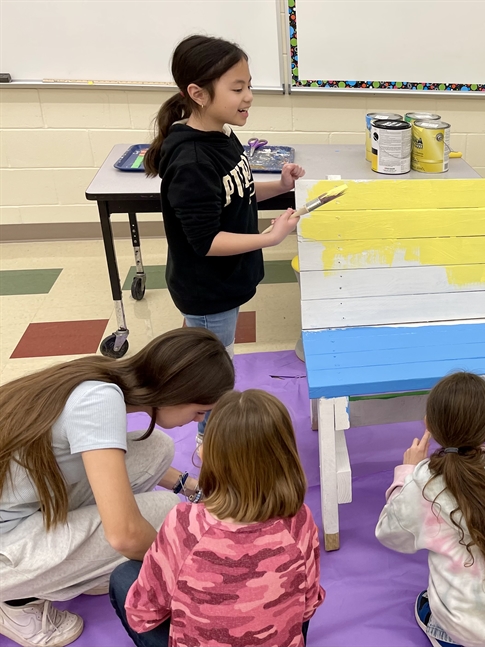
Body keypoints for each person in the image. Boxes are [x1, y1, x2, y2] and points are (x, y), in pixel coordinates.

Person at [0, 328, 233, 647]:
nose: (196, 421)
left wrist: (195, 489)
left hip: (22, 506)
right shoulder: (99, 404)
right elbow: (125, 534)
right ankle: (16, 603)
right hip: (6, 546)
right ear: (173, 393)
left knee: (157, 448)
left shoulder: (100, 381)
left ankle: (76, 564)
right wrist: (200, 571)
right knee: (164, 517)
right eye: (199, 412)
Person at [109, 389, 324, 647]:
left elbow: (143, 614)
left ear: (208, 454)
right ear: (286, 455)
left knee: (123, 576)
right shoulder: (300, 519)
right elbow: (309, 604)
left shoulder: (184, 523)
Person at [144, 35, 304, 360]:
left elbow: (237, 191)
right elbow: (206, 241)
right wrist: (270, 238)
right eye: (237, 89)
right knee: (213, 370)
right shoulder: (192, 162)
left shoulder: (223, 134)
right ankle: (210, 412)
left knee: (203, 359)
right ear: (198, 94)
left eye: (249, 86)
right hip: (207, 290)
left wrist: (280, 186)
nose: (249, 97)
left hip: (224, 282)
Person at [375, 372, 485, 647]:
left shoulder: (423, 485)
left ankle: (447, 637)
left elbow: (390, 533)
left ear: (428, 427)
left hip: (466, 629)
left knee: (442, 608)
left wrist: (406, 474)